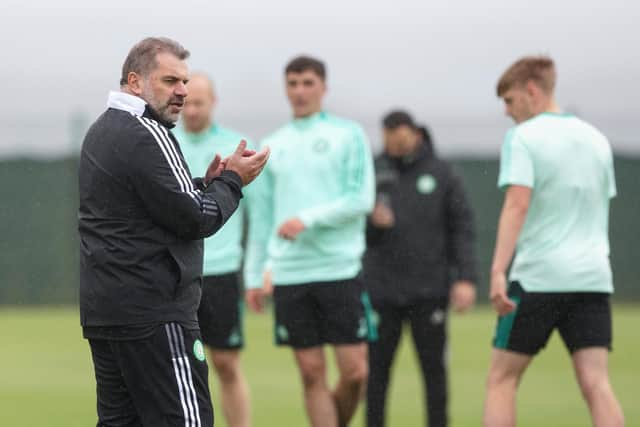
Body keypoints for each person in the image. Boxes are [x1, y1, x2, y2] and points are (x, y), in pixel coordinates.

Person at [78, 37, 269, 427]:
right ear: (135, 81)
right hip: (155, 314)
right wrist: (232, 181)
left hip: (108, 312)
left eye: (184, 81)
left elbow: (154, 205)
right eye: (170, 81)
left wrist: (207, 183)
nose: (182, 91)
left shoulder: (102, 131)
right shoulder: (148, 132)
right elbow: (197, 218)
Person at [484, 56, 624, 427]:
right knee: (597, 384)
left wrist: (498, 270)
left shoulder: (523, 137)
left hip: (538, 278)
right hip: (592, 278)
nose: (506, 111)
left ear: (532, 90)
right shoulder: (597, 139)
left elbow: (517, 203)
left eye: (510, 100)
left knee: (501, 380)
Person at [243, 55, 376, 427]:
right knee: (311, 374)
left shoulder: (348, 135)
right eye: (293, 84)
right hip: (290, 274)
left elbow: (361, 199)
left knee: (355, 373)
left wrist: (308, 219)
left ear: (323, 87)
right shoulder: (271, 145)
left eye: (307, 83)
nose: (300, 91)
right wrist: (256, 275)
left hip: (340, 268)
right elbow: (263, 220)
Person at [363, 111, 477, 427]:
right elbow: (357, 234)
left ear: (416, 134)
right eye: (388, 137)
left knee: (434, 373)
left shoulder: (442, 174)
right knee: (374, 376)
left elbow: (462, 229)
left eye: (400, 136)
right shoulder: (373, 172)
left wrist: (466, 278)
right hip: (381, 292)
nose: (393, 144)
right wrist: (371, 222)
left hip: (429, 291)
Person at [173, 73, 252, 427]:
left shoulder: (236, 145)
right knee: (178, 364)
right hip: (177, 271)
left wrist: (254, 272)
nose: (191, 110)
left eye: (199, 103)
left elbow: (258, 216)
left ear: (213, 102)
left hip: (220, 271)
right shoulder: (165, 143)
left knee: (226, 364)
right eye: (186, 102)